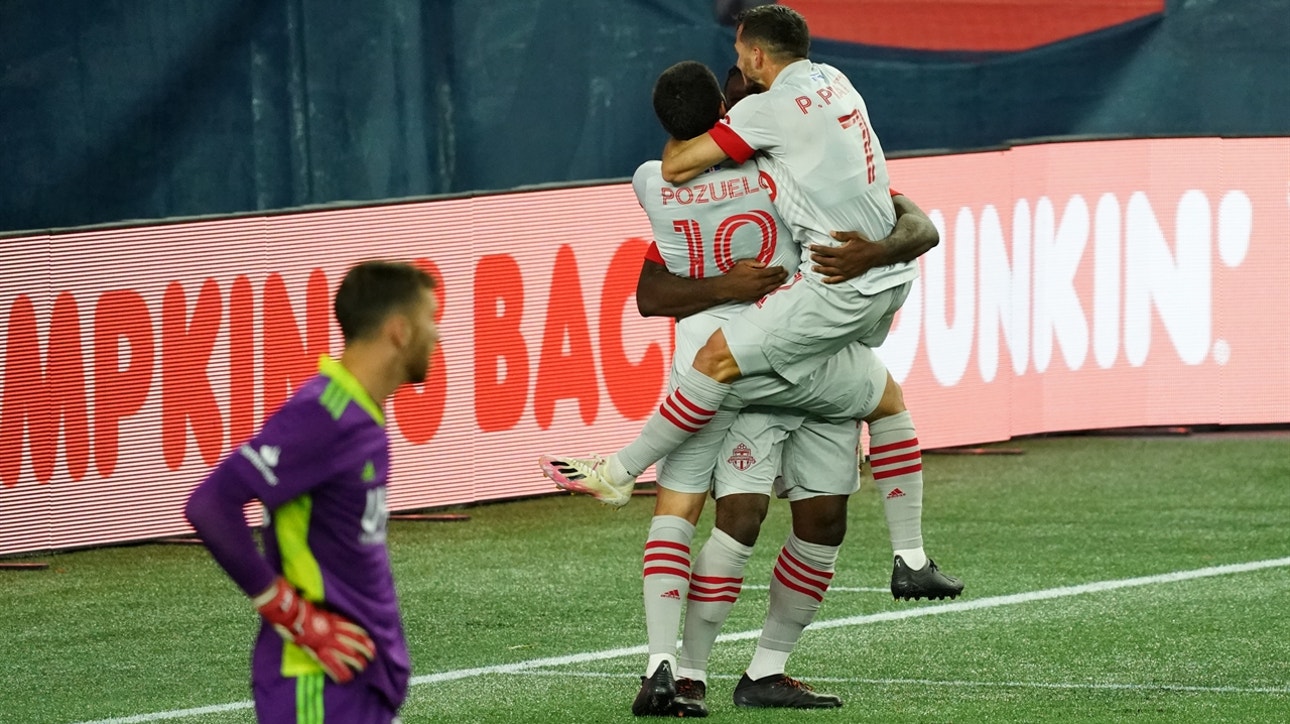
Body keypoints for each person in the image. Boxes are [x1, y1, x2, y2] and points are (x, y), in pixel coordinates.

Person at [539, 8, 938, 590]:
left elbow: (673, 176)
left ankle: (621, 471)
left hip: (827, 289)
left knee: (712, 389)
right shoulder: (837, 84)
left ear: (754, 57)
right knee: (884, 404)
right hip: (885, 281)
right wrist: (879, 250)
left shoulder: (715, 147)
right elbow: (920, 223)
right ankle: (911, 559)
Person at [618, 61, 959, 717]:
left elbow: (911, 228)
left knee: (825, 523)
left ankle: (766, 670)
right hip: (762, 367)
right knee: (740, 516)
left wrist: (883, 234)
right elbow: (651, 292)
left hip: (823, 364)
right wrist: (728, 288)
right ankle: (686, 675)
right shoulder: (742, 173)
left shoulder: (807, 165)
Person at [184, 260, 439, 724]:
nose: (437, 336)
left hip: (359, 682)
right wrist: (295, 617)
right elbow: (210, 505)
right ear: (399, 331)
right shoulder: (325, 413)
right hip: (316, 688)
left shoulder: (363, 414)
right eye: (430, 321)